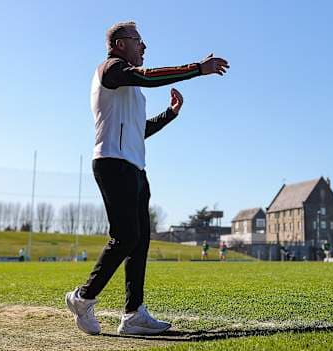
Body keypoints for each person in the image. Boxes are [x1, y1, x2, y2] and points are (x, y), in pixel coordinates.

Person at [65, 21, 229, 336]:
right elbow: (148, 76)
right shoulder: (111, 69)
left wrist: (170, 113)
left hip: (135, 168)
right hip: (112, 164)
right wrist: (198, 69)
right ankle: (83, 297)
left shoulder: (131, 87)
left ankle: (133, 314)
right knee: (125, 236)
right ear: (119, 43)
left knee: (139, 240)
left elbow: (139, 131)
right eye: (139, 40)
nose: (144, 46)